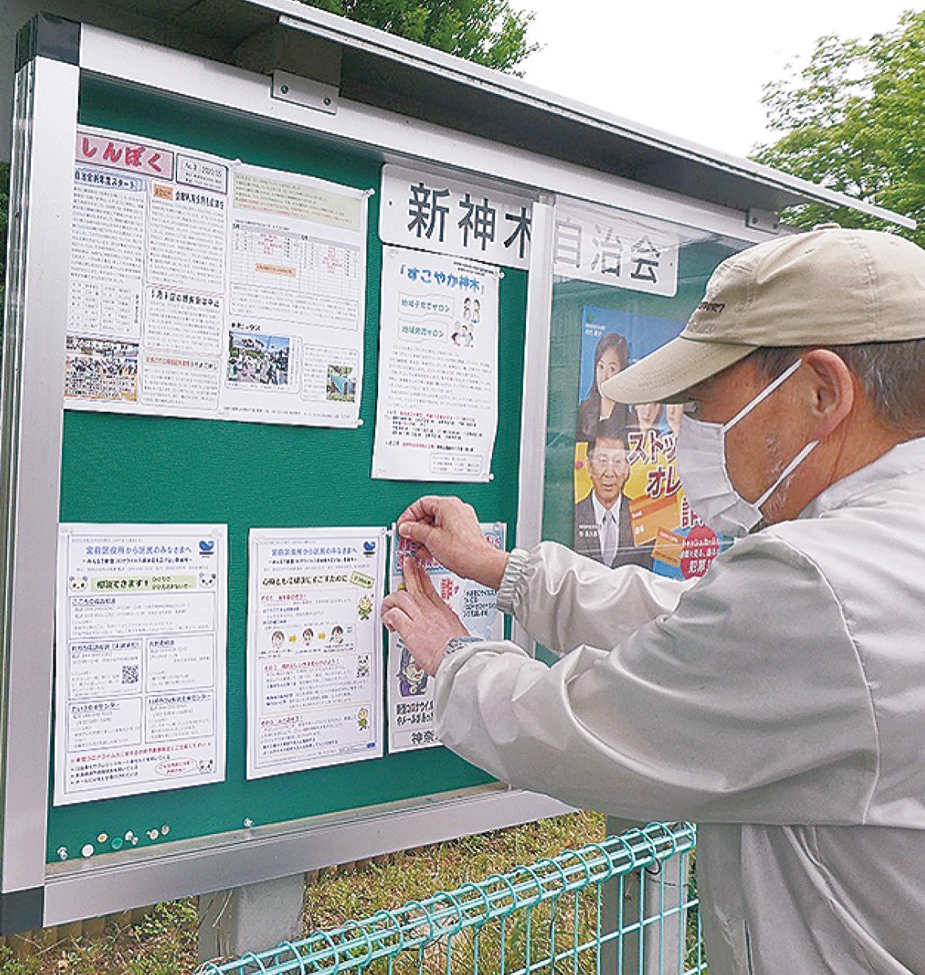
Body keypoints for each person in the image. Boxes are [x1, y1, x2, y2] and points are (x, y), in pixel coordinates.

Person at [382, 225, 925, 975]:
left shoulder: (824, 581)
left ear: (821, 392)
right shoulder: (881, 553)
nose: (687, 434)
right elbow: (699, 634)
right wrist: (505, 569)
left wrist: (452, 658)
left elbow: (587, 730)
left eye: (703, 405)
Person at [573, 428, 650, 568]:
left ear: (627, 469)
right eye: (602, 461)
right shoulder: (573, 515)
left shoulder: (643, 519)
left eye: (617, 462)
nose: (609, 473)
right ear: (589, 467)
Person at [576, 331, 632, 440]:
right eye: (601, 367)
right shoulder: (582, 412)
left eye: (611, 369)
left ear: (622, 372)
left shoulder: (629, 421)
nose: (604, 377)